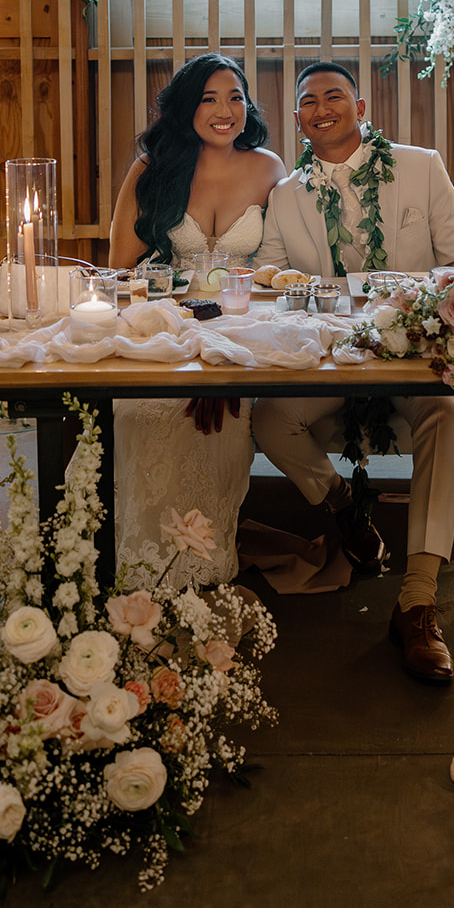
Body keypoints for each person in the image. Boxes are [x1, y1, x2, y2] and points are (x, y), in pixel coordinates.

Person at [252, 61, 454, 683]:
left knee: (446, 414)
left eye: (334, 95)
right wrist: (280, 278)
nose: (321, 107)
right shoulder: (288, 194)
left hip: (413, 353)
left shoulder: (420, 166)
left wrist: (407, 302)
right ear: (297, 118)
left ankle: (419, 601)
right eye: (307, 101)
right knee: (271, 421)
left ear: (361, 106)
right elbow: (271, 268)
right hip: (328, 356)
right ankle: (346, 507)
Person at [108, 53, 285, 587]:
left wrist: (222, 359)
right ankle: (136, 567)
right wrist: (181, 338)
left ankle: (203, 572)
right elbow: (120, 267)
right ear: (187, 107)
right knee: (147, 413)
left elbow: (281, 273)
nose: (225, 110)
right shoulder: (152, 169)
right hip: (163, 323)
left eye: (235, 96)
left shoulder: (269, 168)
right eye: (209, 98)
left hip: (241, 325)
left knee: (224, 418)